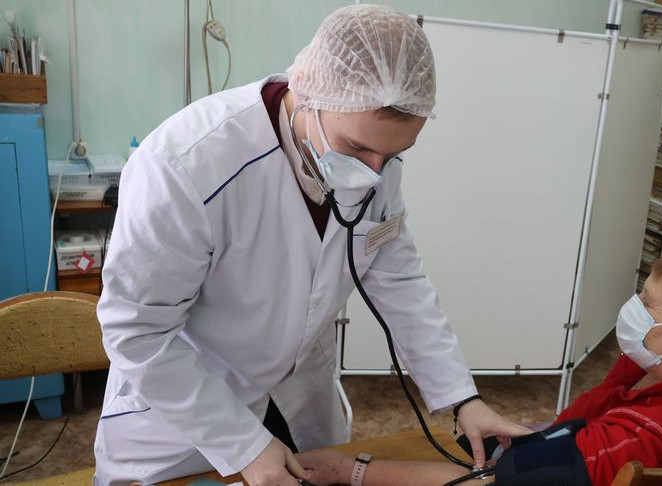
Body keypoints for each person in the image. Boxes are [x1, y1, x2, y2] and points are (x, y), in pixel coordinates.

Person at [93, 5, 527, 486]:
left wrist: (461, 397)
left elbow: (399, 280)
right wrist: (243, 443)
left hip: (298, 401)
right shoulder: (184, 164)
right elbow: (137, 330)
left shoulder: (374, 160)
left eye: (394, 155)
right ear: (307, 95)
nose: (374, 173)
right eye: (357, 149)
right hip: (188, 417)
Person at [292, 246, 662, 486]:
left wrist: (351, 470)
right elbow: (570, 432)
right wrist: (544, 436)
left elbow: (492, 481)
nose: (634, 308)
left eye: (648, 302)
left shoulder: (639, 438)